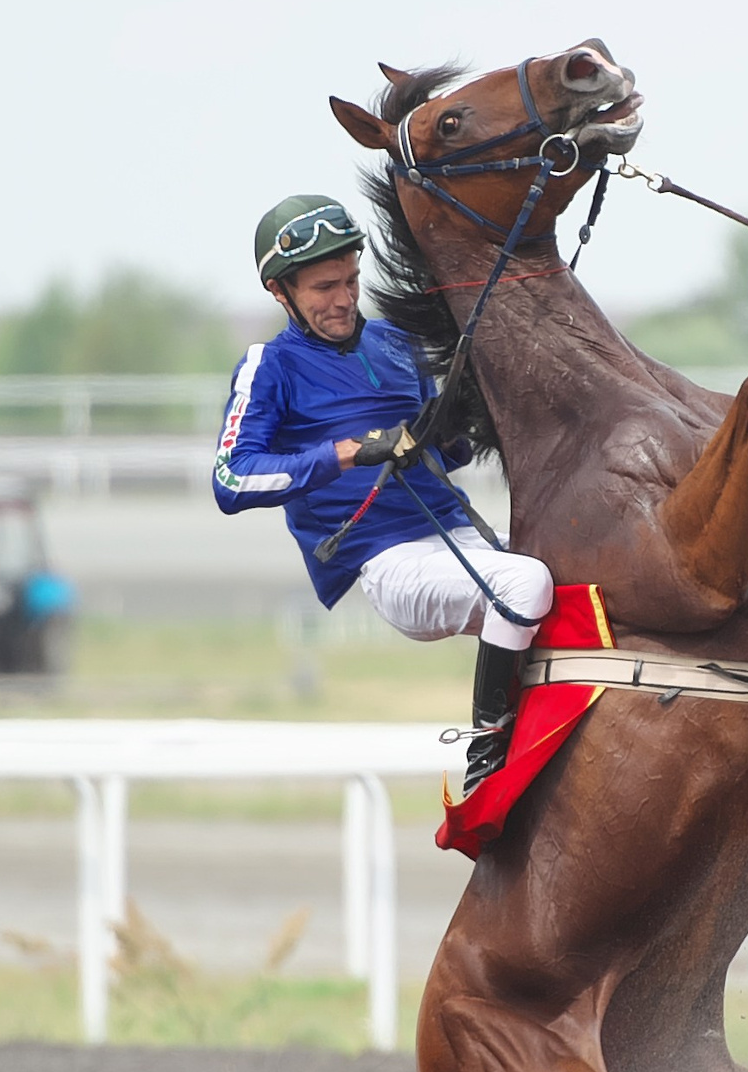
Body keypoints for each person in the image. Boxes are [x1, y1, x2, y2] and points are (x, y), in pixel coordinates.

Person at [213, 195, 553, 782]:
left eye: (350, 280)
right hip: (389, 561)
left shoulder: (398, 342)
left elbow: (445, 451)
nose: (344, 299)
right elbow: (231, 479)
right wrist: (349, 451)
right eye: (324, 287)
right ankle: (487, 762)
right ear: (280, 291)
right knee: (526, 584)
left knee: (572, 578)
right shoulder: (269, 366)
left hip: (458, 534)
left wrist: (459, 428)